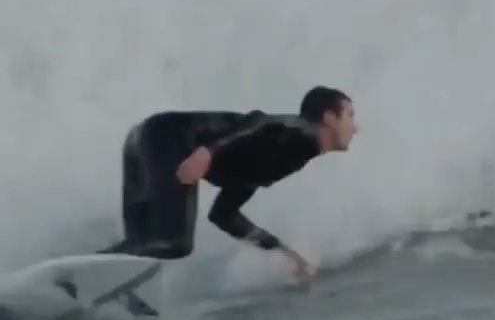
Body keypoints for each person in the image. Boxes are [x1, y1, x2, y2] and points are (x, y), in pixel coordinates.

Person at [101, 86, 357, 282]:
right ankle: (85, 271)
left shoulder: (282, 155)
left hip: (143, 138)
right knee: (174, 244)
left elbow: (224, 215)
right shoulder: (300, 133)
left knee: (143, 244)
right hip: (166, 139)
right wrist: (208, 152)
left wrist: (283, 252)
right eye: (350, 116)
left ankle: (98, 281)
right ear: (329, 118)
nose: (355, 128)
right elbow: (259, 121)